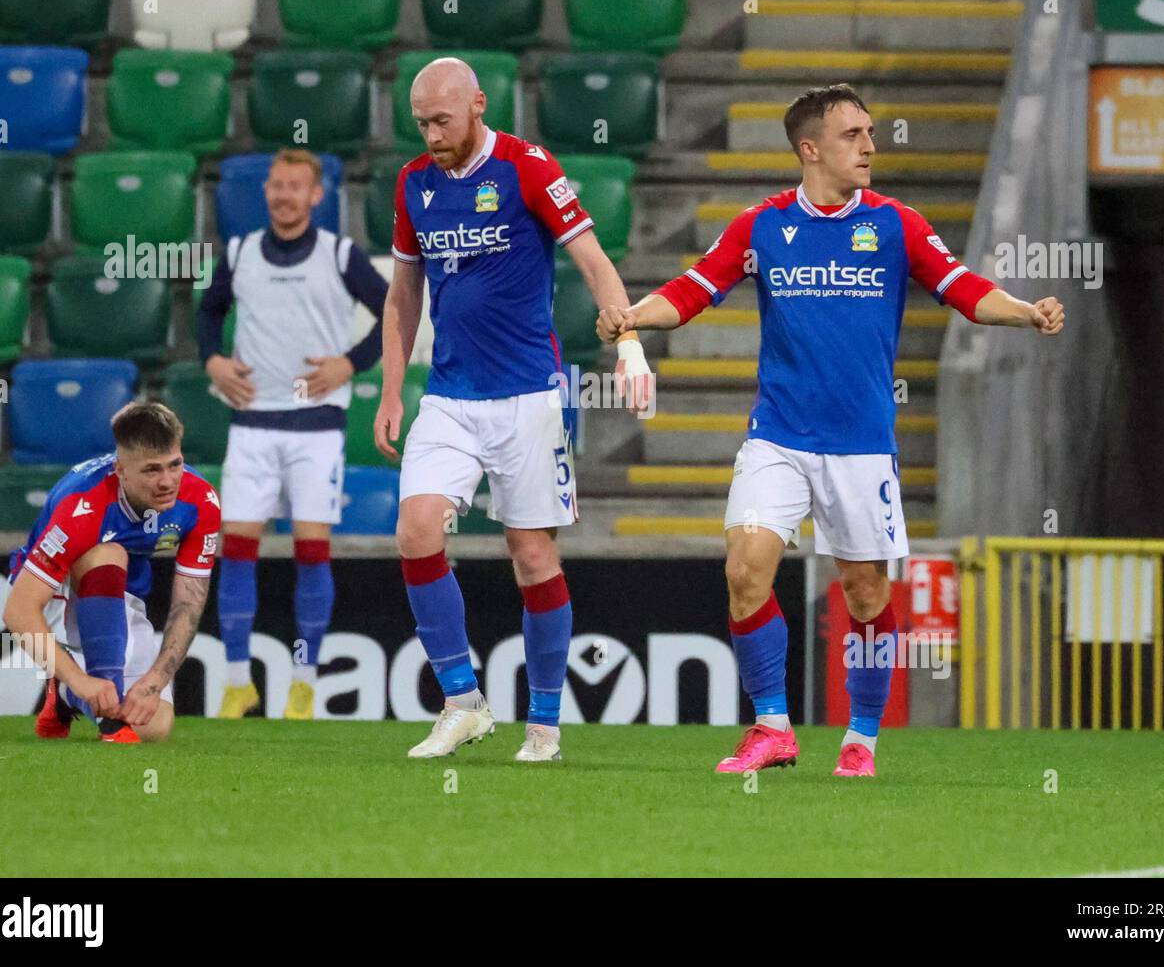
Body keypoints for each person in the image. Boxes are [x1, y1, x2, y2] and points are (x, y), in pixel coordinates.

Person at [598, 84, 1065, 776]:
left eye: (871, 132)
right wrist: (633, 314)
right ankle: (773, 728)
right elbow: (692, 290)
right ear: (810, 148)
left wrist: (1026, 310)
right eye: (854, 134)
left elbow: (965, 287)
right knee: (745, 569)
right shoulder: (761, 226)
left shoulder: (896, 224)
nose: (871, 145)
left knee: (867, 594)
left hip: (861, 444)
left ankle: (862, 738)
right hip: (779, 435)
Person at [375, 57, 652, 762]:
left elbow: (592, 259)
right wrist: (388, 388)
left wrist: (629, 344)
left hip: (529, 393)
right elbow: (404, 292)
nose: (432, 135)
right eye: (421, 123)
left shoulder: (528, 167)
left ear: (477, 104)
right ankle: (463, 701)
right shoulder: (415, 184)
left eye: (442, 120)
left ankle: (546, 725)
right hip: (448, 394)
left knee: (531, 556)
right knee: (415, 531)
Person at [197, 149, 388, 720]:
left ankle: (304, 682)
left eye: (295, 187)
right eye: (276, 186)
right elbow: (207, 313)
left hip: (316, 426)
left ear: (316, 196)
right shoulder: (239, 253)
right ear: (267, 192)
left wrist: (349, 365)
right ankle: (237, 682)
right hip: (252, 423)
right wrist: (212, 361)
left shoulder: (339, 254)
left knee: (311, 551)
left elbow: (394, 311)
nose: (284, 195)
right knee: (236, 552)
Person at [3, 401, 221, 744]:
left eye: (174, 464)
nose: (167, 481)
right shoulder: (82, 505)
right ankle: (105, 717)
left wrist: (153, 684)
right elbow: (18, 611)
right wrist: (80, 678)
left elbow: (188, 605)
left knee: (155, 725)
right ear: (120, 470)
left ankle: (65, 696)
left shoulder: (201, 501)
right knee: (109, 551)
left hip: (118, 594)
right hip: (54, 588)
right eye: (151, 470)